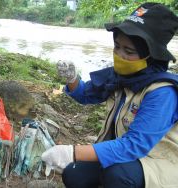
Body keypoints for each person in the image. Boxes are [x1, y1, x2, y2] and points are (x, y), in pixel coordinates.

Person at [42, 3, 178, 188]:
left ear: (151, 55)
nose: (119, 55)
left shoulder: (162, 93)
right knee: (75, 174)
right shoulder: (121, 77)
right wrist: (72, 79)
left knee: (118, 176)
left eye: (128, 51)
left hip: (159, 163)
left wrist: (72, 152)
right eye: (117, 46)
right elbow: (85, 94)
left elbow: (134, 146)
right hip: (123, 155)